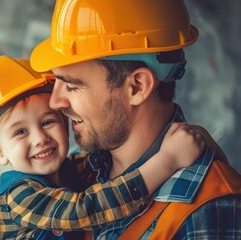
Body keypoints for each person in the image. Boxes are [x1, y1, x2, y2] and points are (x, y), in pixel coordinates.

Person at [30, 0, 241, 239]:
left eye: (71, 85)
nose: (55, 102)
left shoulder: (207, 209)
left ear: (137, 86)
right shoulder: (79, 172)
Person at [0, 55, 205, 240]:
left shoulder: (77, 167)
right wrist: (166, 161)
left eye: (48, 122)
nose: (40, 138)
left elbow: (114, 155)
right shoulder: (19, 197)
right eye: (20, 132)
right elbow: (85, 209)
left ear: (64, 122)